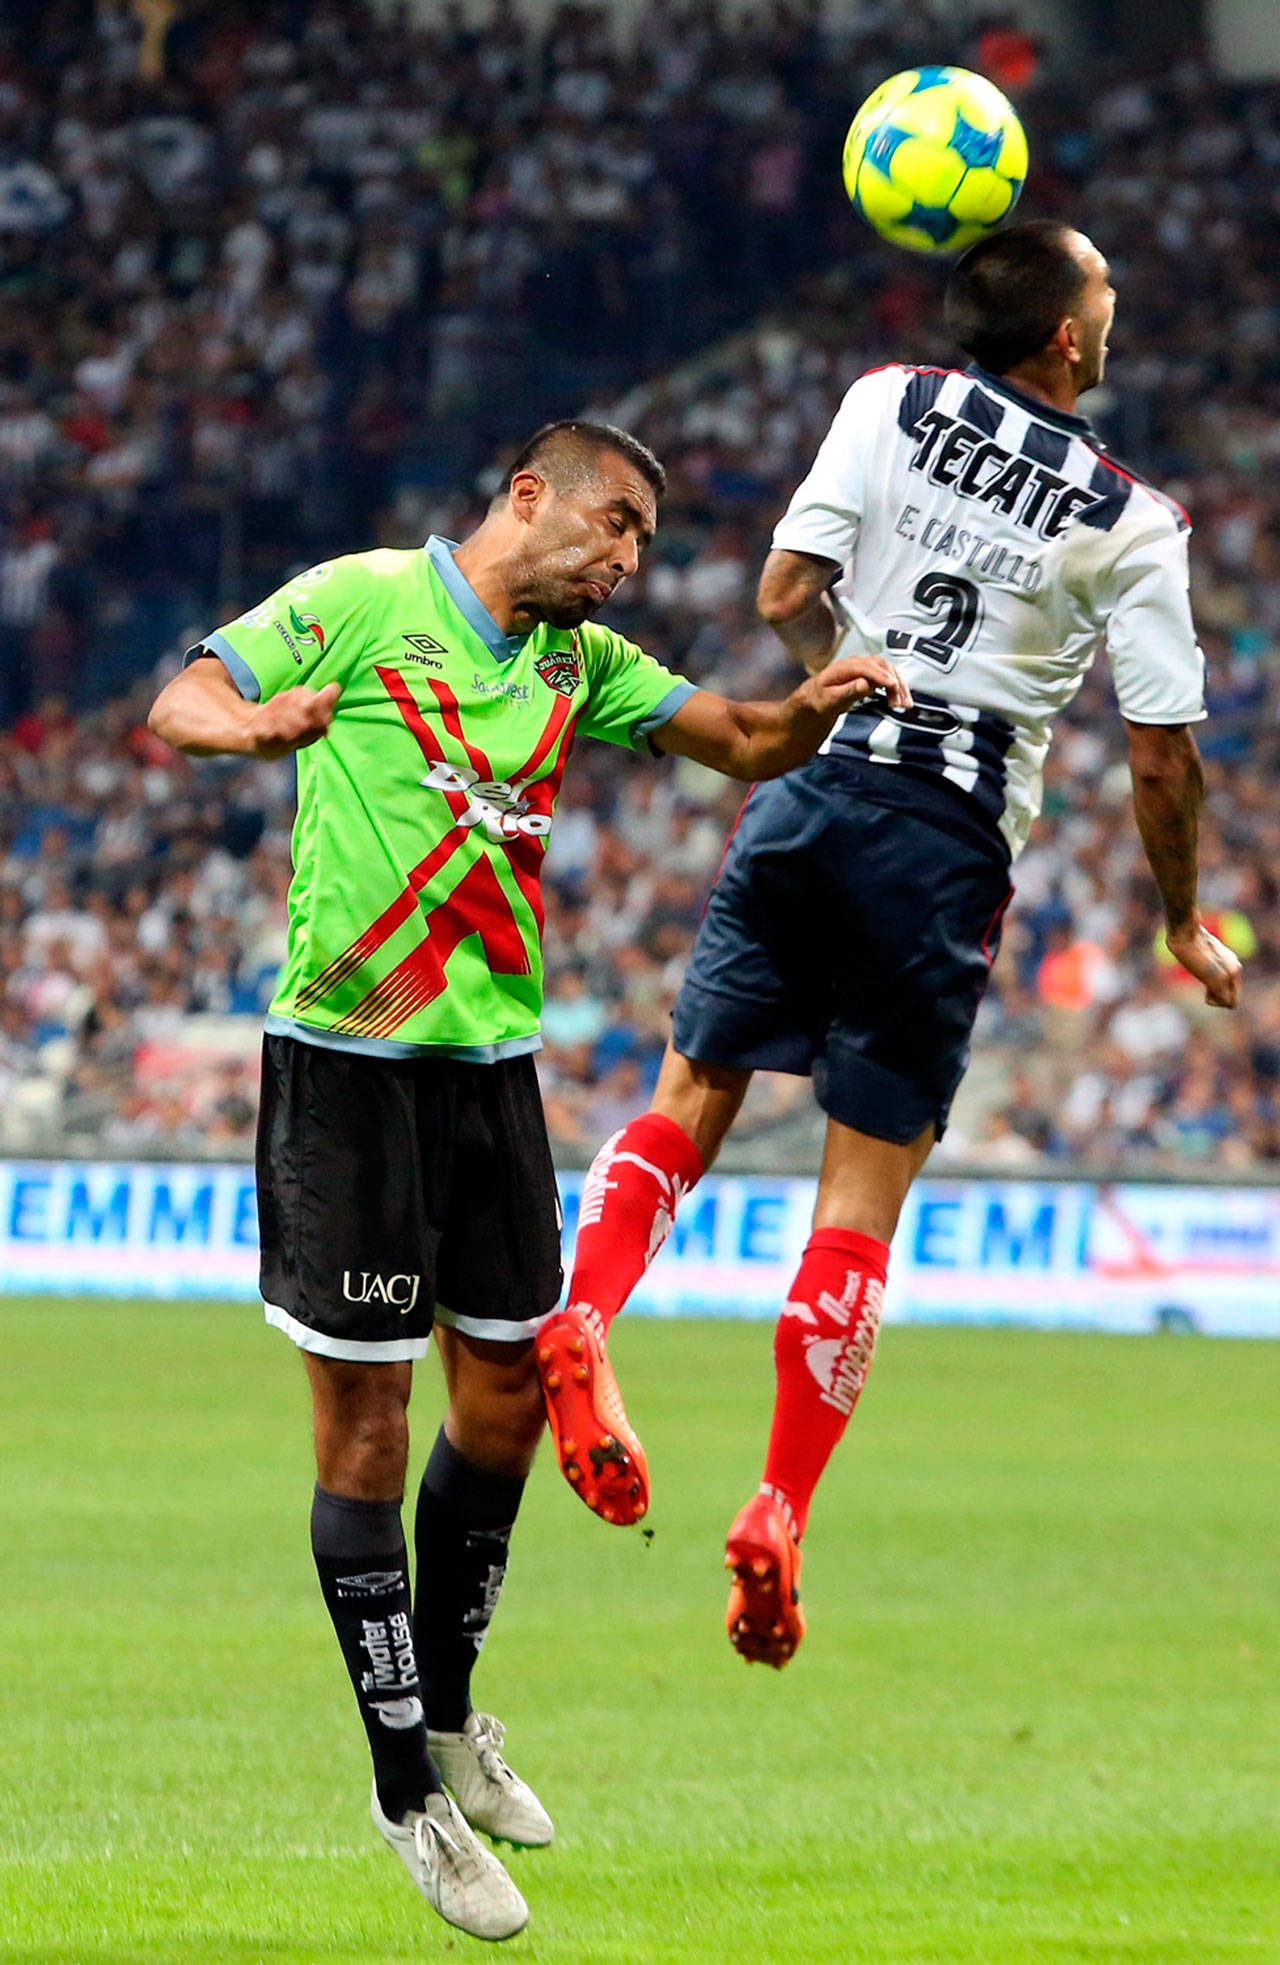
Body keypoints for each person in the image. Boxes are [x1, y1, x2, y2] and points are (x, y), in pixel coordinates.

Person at [147, 419, 906, 1940]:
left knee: (505, 1406)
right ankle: (404, 1794)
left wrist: (816, 704)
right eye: (614, 524)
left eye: (642, 539)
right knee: (367, 1433)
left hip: (493, 1085)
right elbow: (181, 692)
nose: (627, 559)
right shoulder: (365, 599)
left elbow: (744, 741)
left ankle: (445, 1718)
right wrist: (254, 728)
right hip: (347, 1078)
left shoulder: (583, 665)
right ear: (527, 496)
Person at [539, 225, 1243, 1669]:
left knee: (689, 1099)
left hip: (813, 784)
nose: (1112, 313)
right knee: (858, 1197)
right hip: (947, 847)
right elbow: (1161, 763)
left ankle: (585, 1314)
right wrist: (1179, 913)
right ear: (1063, 335)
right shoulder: (1135, 517)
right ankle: (781, 1504)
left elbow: (786, 595)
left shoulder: (889, 398)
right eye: (1102, 295)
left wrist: (841, 694)